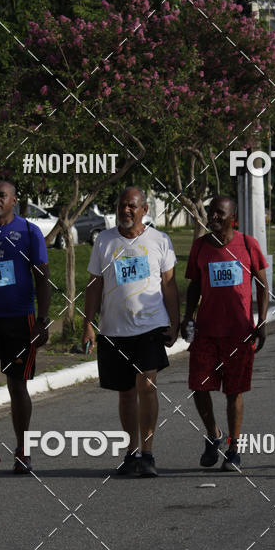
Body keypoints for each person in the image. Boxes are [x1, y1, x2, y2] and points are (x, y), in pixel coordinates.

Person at [82, 187, 180, 478]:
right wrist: (88, 323)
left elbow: (169, 284)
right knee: (125, 393)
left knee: (147, 386)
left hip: (149, 326)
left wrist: (174, 323)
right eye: (121, 205)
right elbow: (94, 284)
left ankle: (147, 453)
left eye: (132, 206)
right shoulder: (104, 240)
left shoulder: (159, 240)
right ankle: (131, 452)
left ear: (144, 210)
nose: (126, 210)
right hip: (114, 329)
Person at [0, 180, 51, 477]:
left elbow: (42, 278)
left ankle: (23, 450)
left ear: (14, 199)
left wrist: (42, 320)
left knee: (17, 386)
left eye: (2, 195)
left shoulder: (30, 232)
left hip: (20, 321)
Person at [181, 196, 268, 472]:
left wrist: (262, 321)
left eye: (219, 213)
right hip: (206, 332)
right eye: (211, 212)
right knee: (199, 386)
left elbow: (263, 285)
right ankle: (214, 434)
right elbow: (194, 285)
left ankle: (233, 448)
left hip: (238, 333)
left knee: (234, 392)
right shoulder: (200, 247)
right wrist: (187, 317)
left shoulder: (247, 245)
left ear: (233, 216)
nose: (213, 217)